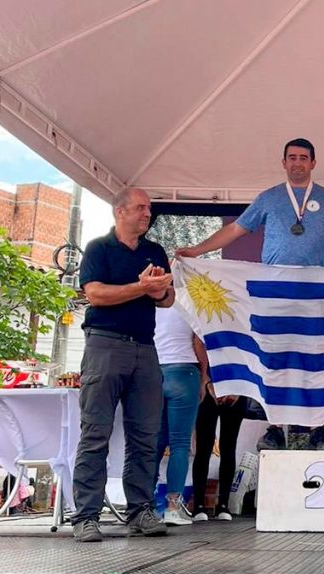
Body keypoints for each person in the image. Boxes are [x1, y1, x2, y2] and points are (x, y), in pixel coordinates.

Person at [177, 138, 324, 447]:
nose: (297, 162)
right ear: (283, 163)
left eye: (303, 157)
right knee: (272, 355)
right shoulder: (269, 198)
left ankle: (311, 427)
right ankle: (275, 425)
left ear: (313, 163)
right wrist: (198, 251)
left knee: (311, 356)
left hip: (311, 291)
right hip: (272, 289)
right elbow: (235, 230)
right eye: (292, 157)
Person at [70, 187, 174, 543]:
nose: (147, 213)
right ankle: (86, 516)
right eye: (141, 207)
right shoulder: (99, 248)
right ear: (120, 211)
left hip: (145, 348)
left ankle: (141, 510)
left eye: (149, 208)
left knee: (146, 436)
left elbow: (167, 298)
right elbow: (95, 294)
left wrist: (159, 290)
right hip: (104, 344)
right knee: (95, 433)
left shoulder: (154, 251)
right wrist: (141, 287)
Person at [152, 307, 208, 526]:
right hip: (184, 371)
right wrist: (204, 376)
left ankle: (145, 505)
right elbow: (198, 342)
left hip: (154, 371)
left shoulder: (149, 303)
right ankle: (173, 507)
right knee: (180, 444)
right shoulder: (189, 303)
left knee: (155, 443)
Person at [192, 383, 246, 522]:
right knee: (203, 447)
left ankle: (223, 505)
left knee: (229, 447)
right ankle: (198, 505)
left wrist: (239, 389)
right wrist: (206, 384)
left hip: (236, 389)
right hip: (209, 389)